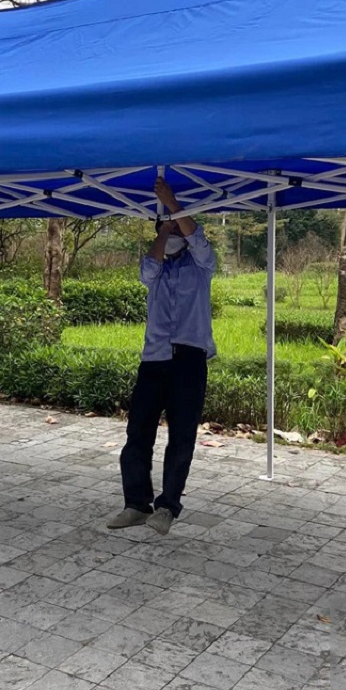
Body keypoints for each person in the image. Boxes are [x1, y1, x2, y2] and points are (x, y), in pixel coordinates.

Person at [107, 176, 216, 536]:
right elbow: (147, 269)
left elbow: (198, 241)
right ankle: (136, 504)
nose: (170, 234)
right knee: (138, 433)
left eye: (175, 229)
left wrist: (173, 206)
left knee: (181, 436)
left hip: (189, 360)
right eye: (164, 229)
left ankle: (168, 506)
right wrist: (163, 228)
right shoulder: (155, 271)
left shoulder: (201, 267)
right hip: (153, 360)